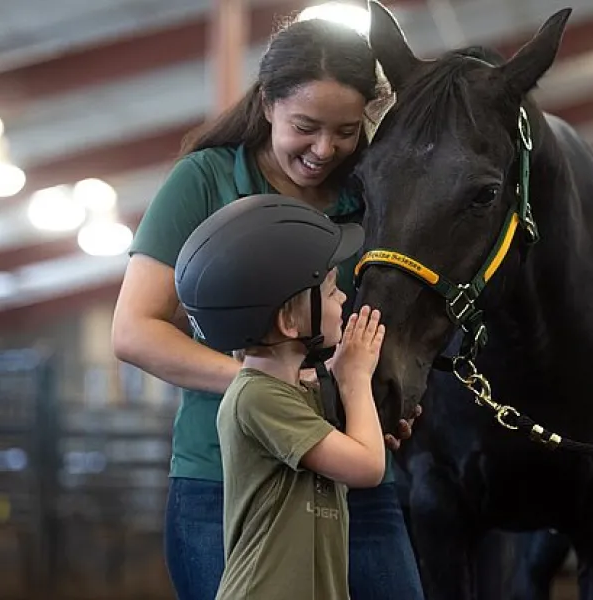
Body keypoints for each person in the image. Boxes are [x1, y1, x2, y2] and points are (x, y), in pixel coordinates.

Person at [111, 16, 424, 600]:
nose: (325, 149)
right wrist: (279, 391)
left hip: (349, 476)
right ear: (268, 104)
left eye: (347, 131)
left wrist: (383, 396)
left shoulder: (372, 191)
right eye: (305, 126)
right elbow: (134, 331)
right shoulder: (204, 181)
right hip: (225, 481)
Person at [174, 194, 386, 600]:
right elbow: (368, 466)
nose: (342, 297)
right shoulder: (257, 397)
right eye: (328, 288)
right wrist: (356, 379)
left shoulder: (294, 393)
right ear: (289, 321)